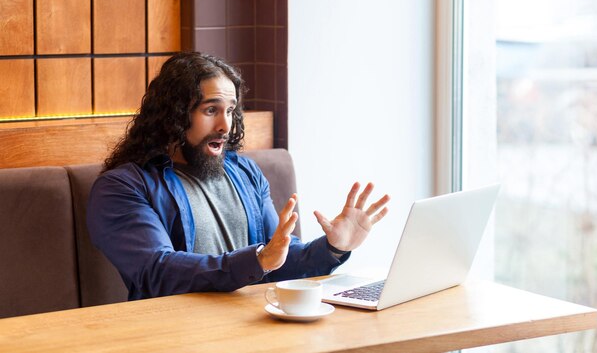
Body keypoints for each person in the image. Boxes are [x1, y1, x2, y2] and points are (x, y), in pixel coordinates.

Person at [87, 51, 390, 301]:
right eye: (210, 111)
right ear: (175, 114)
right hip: (177, 335)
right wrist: (257, 261)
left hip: (257, 327)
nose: (225, 125)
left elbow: (278, 258)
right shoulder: (122, 187)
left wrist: (333, 247)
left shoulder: (245, 173)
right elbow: (157, 272)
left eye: (230, 110)